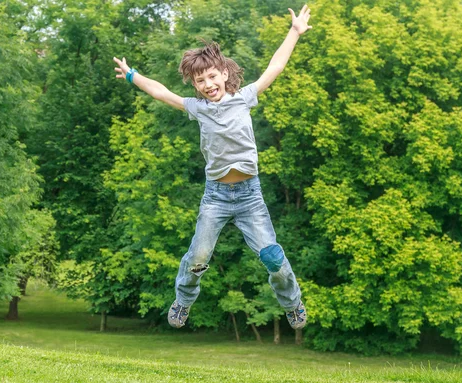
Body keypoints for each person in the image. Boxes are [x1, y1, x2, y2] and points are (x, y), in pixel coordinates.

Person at [113, 5, 312, 330]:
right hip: (216, 198)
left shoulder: (244, 97)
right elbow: (161, 92)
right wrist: (133, 75)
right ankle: (183, 300)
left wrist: (294, 32)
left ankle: (292, 303)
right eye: (199, 81)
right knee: (199, 258)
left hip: (250, 196)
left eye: (211, 77)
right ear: (195, 85)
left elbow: (275, 67)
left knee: (273, 257)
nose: (207, 84)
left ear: (224, 74)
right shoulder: (198, 108)